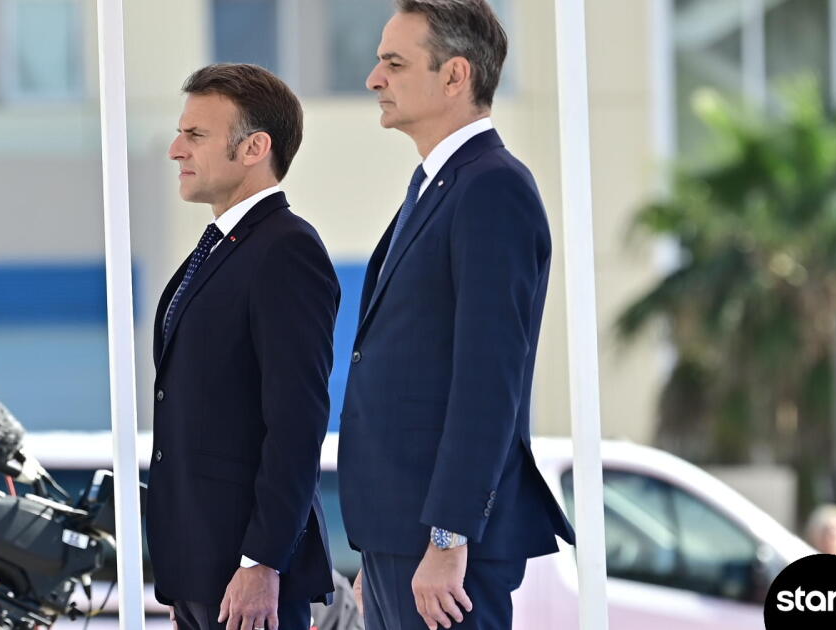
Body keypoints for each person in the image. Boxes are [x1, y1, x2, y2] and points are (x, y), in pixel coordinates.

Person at [337, 2, 576, 629]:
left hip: (443, 550)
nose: (374, 78)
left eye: (394, 63)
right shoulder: (434, 186)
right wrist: (382, 550)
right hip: (400, 542)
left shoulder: (493, 187)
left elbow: (488, 380)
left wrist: (448, 537)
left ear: (455, 75)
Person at [146, 63, 340, 630]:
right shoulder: (220, 246)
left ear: (255, 147)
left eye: (195, 135)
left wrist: (262, 562)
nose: (176, 150)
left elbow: (297, 421)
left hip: (247, 577)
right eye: (180, 133)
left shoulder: (286, 249)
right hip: (201, 568)